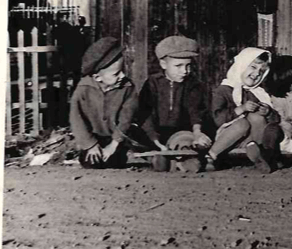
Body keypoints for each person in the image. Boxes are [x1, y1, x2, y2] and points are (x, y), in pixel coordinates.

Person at [136, 35, 212, 172]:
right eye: (178, 66)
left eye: (188, 66)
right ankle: (163, 157)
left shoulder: (193, 84)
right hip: (156, 133)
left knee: (189, 142)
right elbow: (145, 113)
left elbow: (195, 112)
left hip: (182, 131)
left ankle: (181, 158)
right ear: (163, 64)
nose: (184, 71)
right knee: (137, 135)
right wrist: (155, 139)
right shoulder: (153, 83)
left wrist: (197, 132)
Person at [207, 48, 282, 173]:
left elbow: (275, 121)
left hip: (251, 140)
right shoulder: (223, 90)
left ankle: (260, 155)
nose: (257, 73)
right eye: (253, 67)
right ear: (241, 65)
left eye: (262, 71)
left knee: (257, 117)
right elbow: (217, 119)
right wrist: (241, 109)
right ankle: (211, 156)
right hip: (228, 137)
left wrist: (268, 112)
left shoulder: (258, 93)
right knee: (243, 123)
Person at [69, 37, 138, 169]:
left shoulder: (127, 87)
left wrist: (114, 144)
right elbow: (77, 120)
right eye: (116, 74)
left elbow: (126, 118)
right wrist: (91, 145)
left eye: (123, 71)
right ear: (97, 77)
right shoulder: (83, 89)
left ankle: (121, 151)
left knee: (114, 161)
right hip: (94, 137)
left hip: (116, 136)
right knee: (91, 162)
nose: (122, 76)